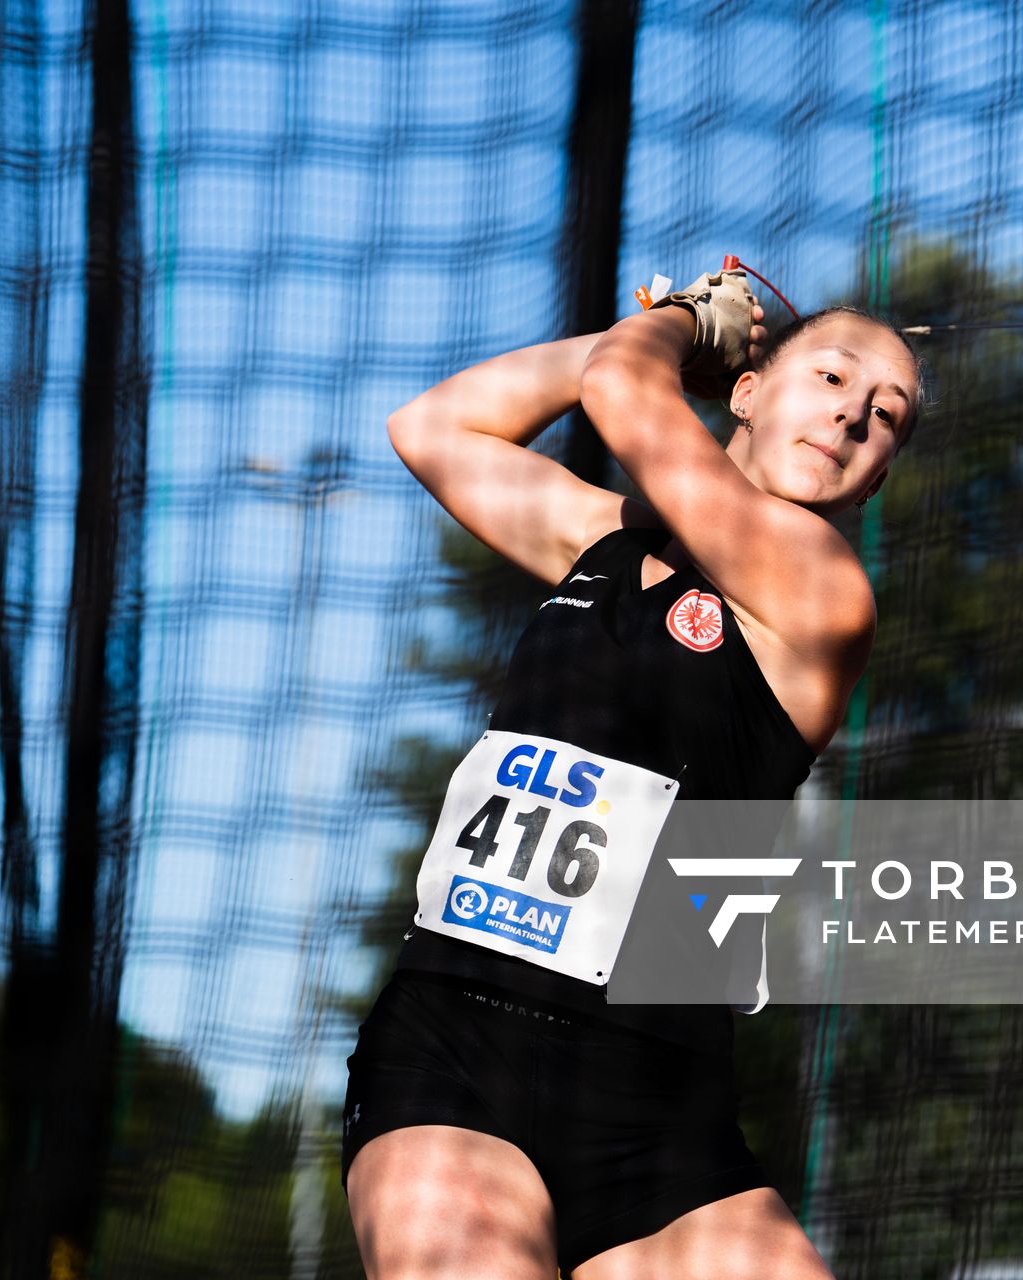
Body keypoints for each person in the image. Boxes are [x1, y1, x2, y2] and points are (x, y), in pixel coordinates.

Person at [342, 269, 924, 1280]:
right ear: (745, 389)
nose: (852, 411)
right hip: (456, 1049)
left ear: (874, 480)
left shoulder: (824, 590)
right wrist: (663, 335)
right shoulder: (604, 539)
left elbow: (624, 391)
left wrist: (670, 326)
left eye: (885, 417)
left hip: (660, 1103)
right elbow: (433, 428)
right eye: (830, 373)